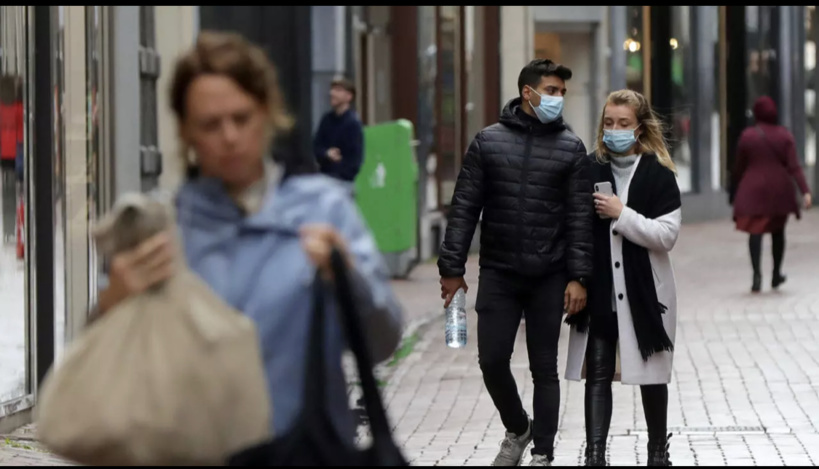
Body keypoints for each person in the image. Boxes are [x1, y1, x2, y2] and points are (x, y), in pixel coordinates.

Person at [92, 31, 403, 447]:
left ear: (267, 113)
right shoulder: (162, 229)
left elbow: (382, 341)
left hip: (301, 451)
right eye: (210, 124)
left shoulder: (322, 210)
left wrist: (350, 280)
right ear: (185, 132)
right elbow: (103, 373)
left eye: (241, 118)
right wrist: (109, 308)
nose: (230, 137)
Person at [438, 58, 593, 467]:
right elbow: (464, 209)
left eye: (562, 92)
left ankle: (543, 451)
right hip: (499, 271)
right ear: (528, 92)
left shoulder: (571, 148)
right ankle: (518, 427)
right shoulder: (488, 142)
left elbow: (580, 218)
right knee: (491, 359)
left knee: (545, 367)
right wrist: (451, 269)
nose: (558, 98)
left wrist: (578, 276)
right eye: (552, 90)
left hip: (550, 273)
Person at [564, 89, 681, 467]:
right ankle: (595, 454)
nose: (614, 130)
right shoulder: (588, 168)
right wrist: (576, 277)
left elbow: (667, 235)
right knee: (597, 371)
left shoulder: (658, 173)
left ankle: (657, 451)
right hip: (599, 287)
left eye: (623, 123)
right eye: (609, 123)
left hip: (644, 291)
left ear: (640, 127)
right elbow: (574, 228)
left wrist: (621, 213)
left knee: (651, 373)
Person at [731, 95, 812, 293]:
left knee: (755, 232)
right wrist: (805, 191)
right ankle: (776, 273)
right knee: (778, 232)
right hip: (779, 191)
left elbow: (739, 167)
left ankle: (757, 275)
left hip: (753, 190)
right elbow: (794, 167)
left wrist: (734, 189)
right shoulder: (784, 136)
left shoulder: (748, 136)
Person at [313, 77, 365, 184]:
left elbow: (355, 160)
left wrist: (342, 173)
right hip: (325, 179)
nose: (332, 93)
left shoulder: (353, 124)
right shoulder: (326, 119)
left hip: (344, 183)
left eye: (338, 90)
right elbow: (316, 146)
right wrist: (327, 153)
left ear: (349, 96)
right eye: (332, 89)